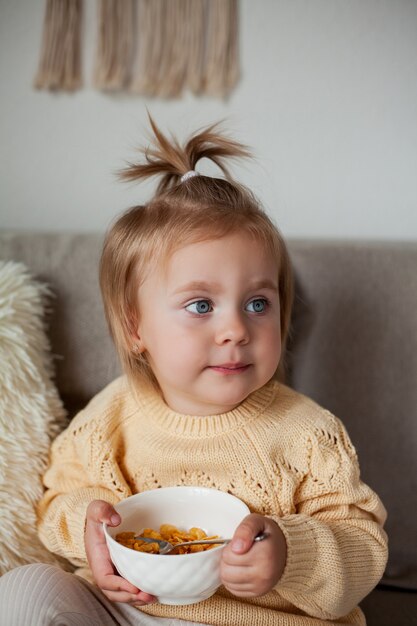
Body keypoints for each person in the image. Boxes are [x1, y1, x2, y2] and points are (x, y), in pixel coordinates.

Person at [0, 118, 388, 626]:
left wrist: (290, 555)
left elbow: (362, 541)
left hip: (263, 619)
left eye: (257, 303)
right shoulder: (111, 417)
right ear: (136, 326)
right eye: (201, 305)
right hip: (132, 610)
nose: (235, 329)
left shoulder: (309, 434)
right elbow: (59, 497)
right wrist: (87, 529)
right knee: (25, 590)